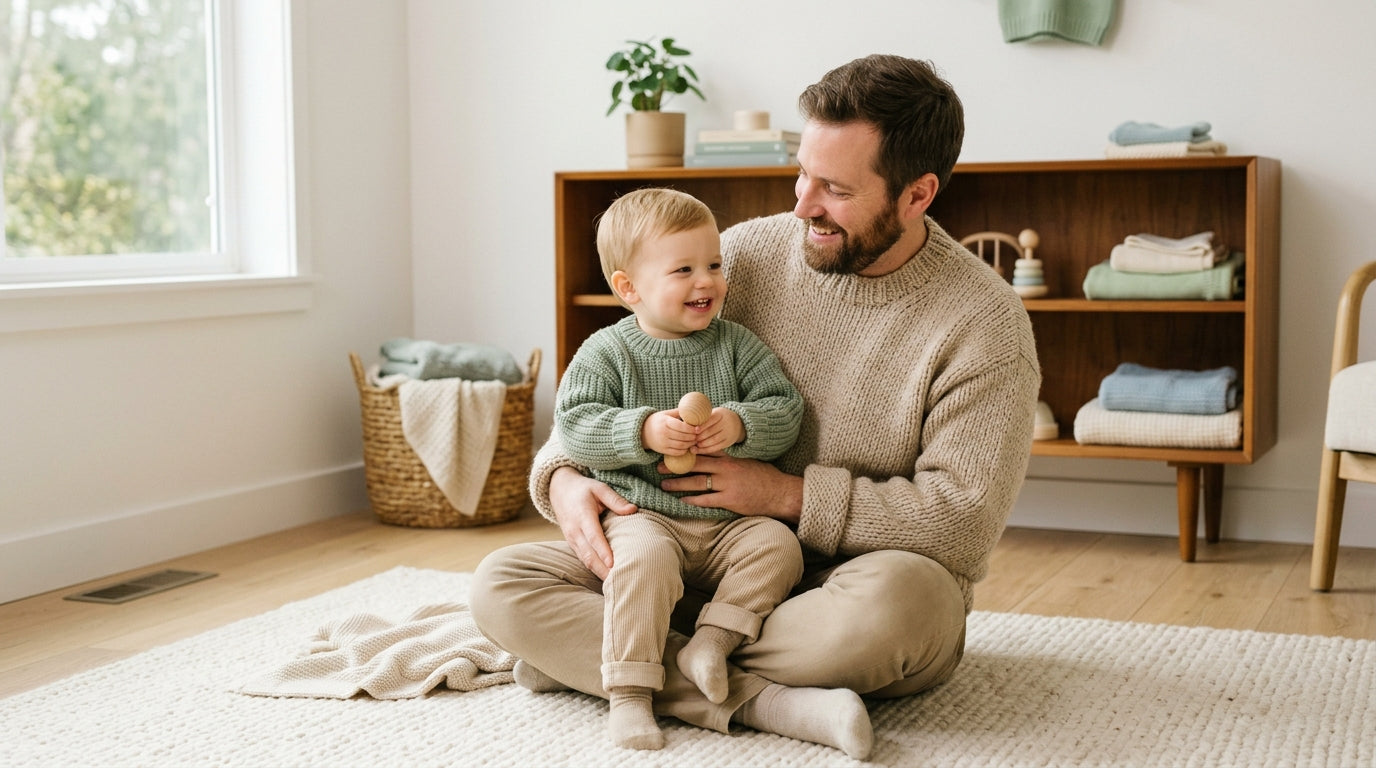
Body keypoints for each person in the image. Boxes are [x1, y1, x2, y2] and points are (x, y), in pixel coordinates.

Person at [472, 54, 1040, 761]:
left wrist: (785, 496)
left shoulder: (984, 324)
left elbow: (961, 523)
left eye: (833, 187)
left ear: (917, 194)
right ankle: (761, 700)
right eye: (803, 172)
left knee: (900, 609)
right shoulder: (741, 257)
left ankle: (610, 663)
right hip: (676, 556)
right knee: (500, 586)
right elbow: (621, 376)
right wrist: (563, 477)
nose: (802, 203)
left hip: (838, 588)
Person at [549, 187, 808, 751]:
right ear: (629, 288)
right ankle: (630, 695)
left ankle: (710, 642)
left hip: (726, 522)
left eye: (714, 264)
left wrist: (740, 424)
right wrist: (641, 430)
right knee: (638, 564)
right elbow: (574, 424)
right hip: (646, 515)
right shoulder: (605, 352)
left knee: (778, 547)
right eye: (684, 269)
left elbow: (786, 410)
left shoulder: (738, 346)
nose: (706, 281)